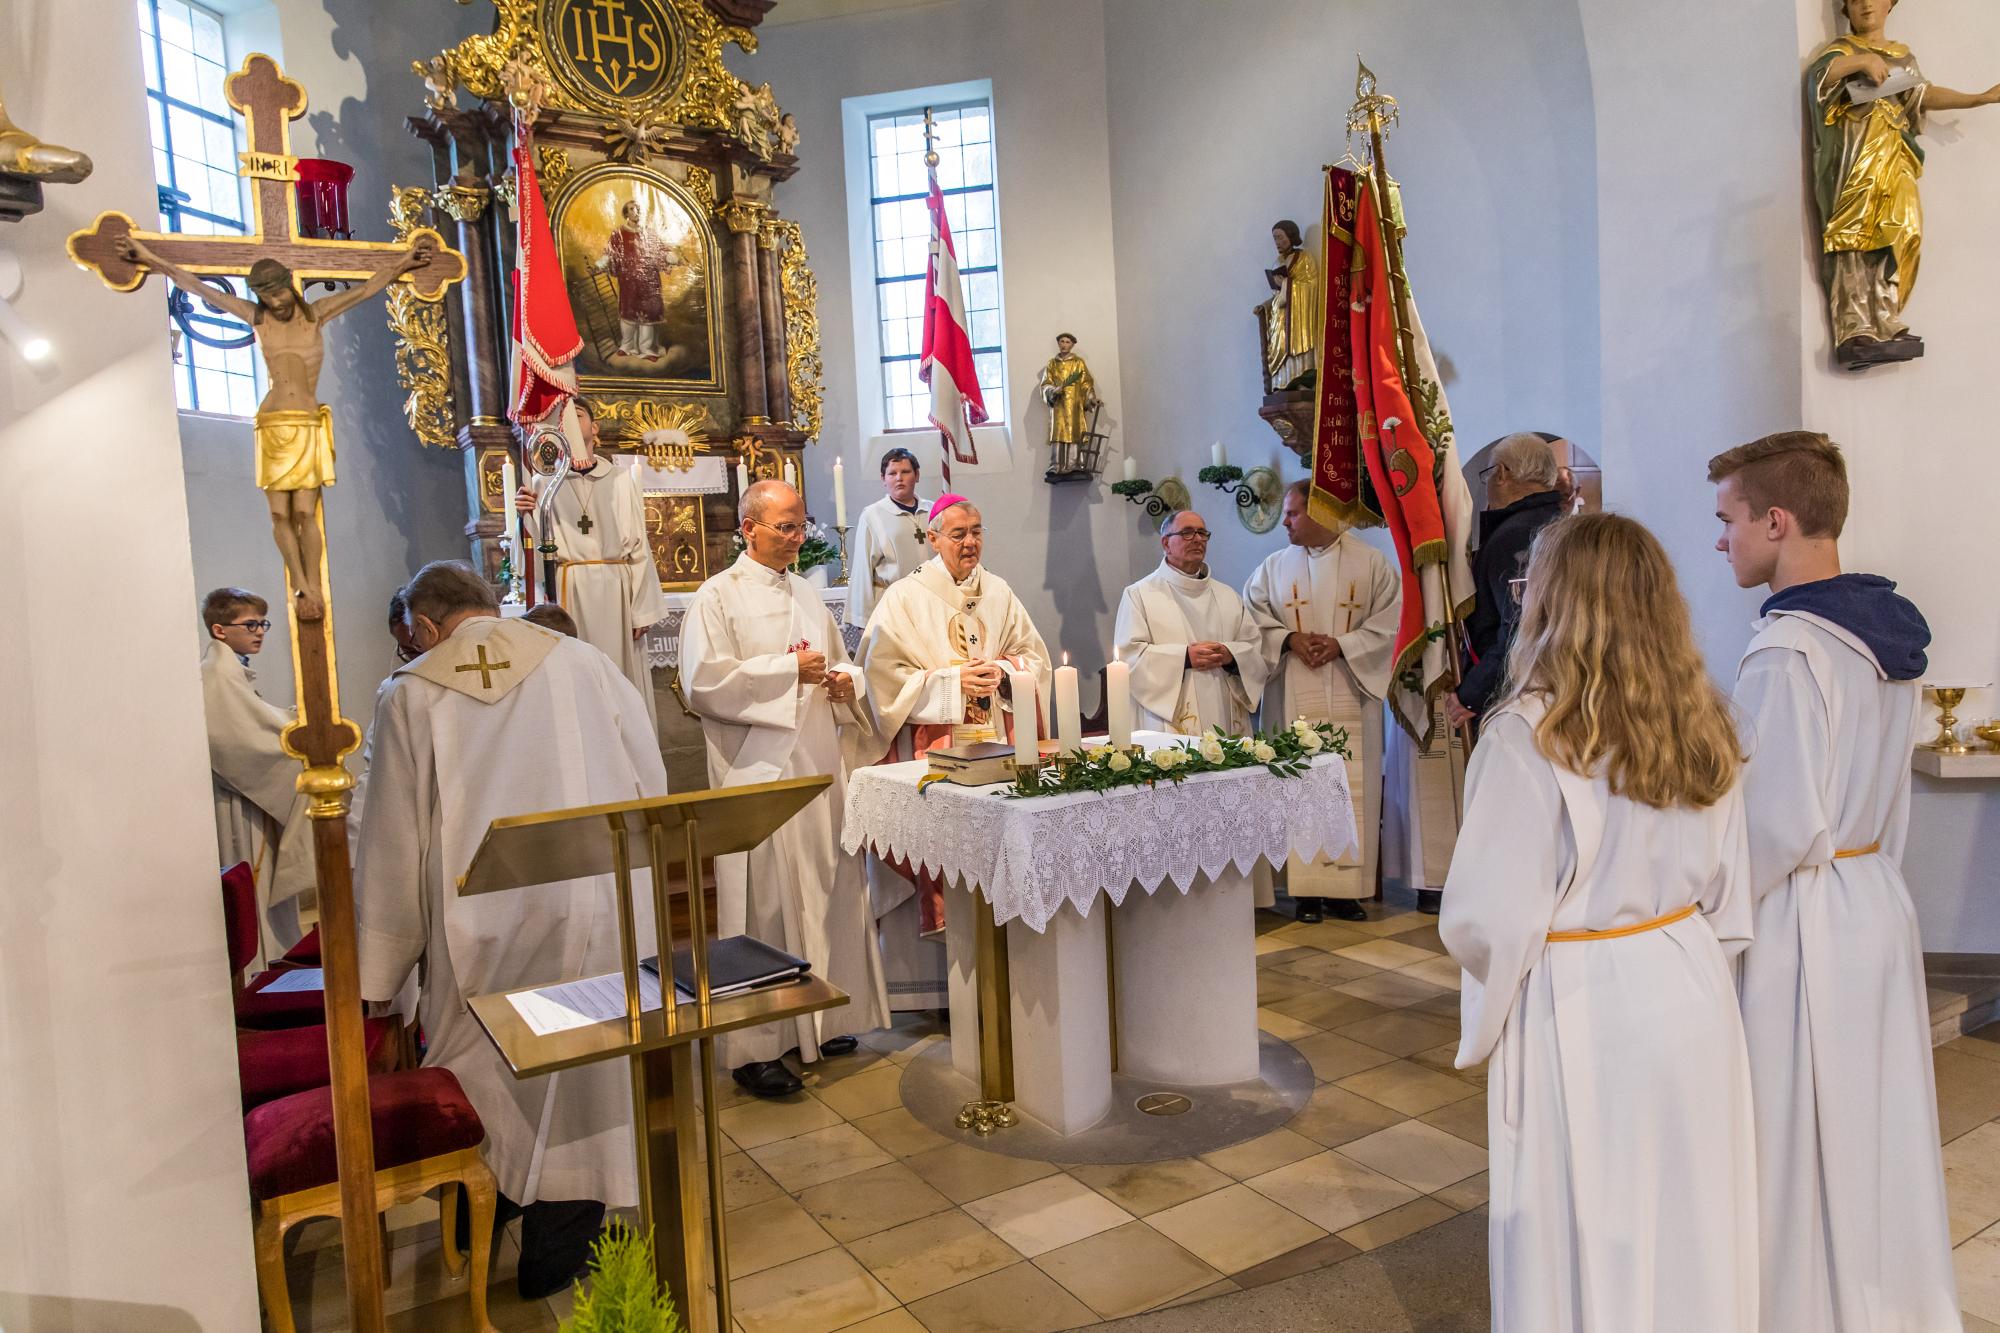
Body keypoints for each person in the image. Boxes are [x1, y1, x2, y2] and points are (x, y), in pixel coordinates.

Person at [1440, 512, 1756, 1331]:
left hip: (1579, 994)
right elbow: (1731, 887)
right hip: (1689, 979)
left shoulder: (1526, 734)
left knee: (1586, 1221)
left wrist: (1490, 1000)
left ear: (1551, 603)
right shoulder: (1705, 719)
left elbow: (1484, 916)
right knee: (1691, 1208)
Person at [354, 561, 666, 1299]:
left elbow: (393, 840)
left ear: (425, 626)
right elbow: (648, 782)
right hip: (593, 903)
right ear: (491, 606)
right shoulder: (585, 663)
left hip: (478, 922)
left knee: (483, 1072)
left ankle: (484, 1213)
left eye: (410, 640)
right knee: (586, 1071)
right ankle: (560, 1245)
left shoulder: (412, 693)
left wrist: (382, 974)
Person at [1710, 430, 1957, 1329]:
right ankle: (1887, 1299)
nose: (1721, 540)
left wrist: (1701, 902)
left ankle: (1805, 1305)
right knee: (1876, 1125)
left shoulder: (1788, 650)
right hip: (1873, 895)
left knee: (1799, 1133)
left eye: (1729, 519)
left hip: (1803, 913)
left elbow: (1770, 825)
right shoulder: (1886, 634)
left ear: (1778, 521)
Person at [680, 480, 892, 1098]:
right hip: (757, 770)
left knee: (827, 885)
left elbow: (835, 660)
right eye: (785, 527)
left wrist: (844, 683)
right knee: (764, 900)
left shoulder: (807, 592)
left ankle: (825, 1019)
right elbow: (701, 683)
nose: (798, 539)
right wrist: (784, 672)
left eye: (802, 527)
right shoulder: (715, 598)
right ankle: (758, 1045)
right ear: (749, 528)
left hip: (816, 764)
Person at [117, 236, 432, 620]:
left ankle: (314, 584)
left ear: (289, 286)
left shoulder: (316, 314)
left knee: (304, 512)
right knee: (279, 515)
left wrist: (404, 263)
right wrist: (150, 259)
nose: (277, 303)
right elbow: (197, 287)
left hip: (306, 423)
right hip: (272, 422)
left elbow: (367, 288)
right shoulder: (258, 318)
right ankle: (300, 584)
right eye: (268, 297)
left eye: (280, 293)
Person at [854, 494, 1051, 1002]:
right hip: (933, 752)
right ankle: (939, 994)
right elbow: (880, 677)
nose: (970, 542)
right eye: (958, 533)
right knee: (936, 859)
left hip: (997, 749)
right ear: (933, 538)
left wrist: (1005, 675)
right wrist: (950, 682)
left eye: (977, 531)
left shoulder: (1001, 592)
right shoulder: (904, 596)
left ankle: (998, 975)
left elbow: (1036, 658)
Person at [1807, 0, 2000, 366]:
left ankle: (1885, 317)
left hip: (1895, 159)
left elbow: (1922, 94)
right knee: (1856, 238)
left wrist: (1978, 99)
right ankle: (1854, 326)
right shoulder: (1840, 52)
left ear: (1889, 5)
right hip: (1854, 161)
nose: (1866, 4)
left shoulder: (1902, 57)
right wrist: (1859, 62)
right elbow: (1821, 77)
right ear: (1845, 7)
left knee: (1901, 231)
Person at [1244, 482, 1398, 923]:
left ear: (1323, 514)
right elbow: (1252, 620)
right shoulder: (1272, 568)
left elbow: (1391, 621)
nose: (1285, 522)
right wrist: (1290, 639)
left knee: (1349, 786)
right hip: (1291, 688)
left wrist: (1344, 644)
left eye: (1293, 514)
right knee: (1297, 783)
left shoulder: (1371, 564)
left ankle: (1344, 891)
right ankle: (1305, 891)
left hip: (1352, 686)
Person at [516, 397, 668, 732]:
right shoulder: (544, 483)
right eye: (560, 417)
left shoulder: (621, 479)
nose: (568, 419)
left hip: (616, 588)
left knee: (620, 679)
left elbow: (639, 547)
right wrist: (524, 515)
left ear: (595, 428)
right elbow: (537, 551)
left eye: (577, 413)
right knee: (577, 680)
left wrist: (641, 609)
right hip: (571, 588)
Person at [199, 586, 314, 964]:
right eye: (250, 624)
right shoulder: (217, 674)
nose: (260, 631)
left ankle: (271, 958)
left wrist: (289, 722)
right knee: (253, 880)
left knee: (261, 882)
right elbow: (236, 740)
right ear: (219, 630)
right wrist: (293, 731)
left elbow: (253, 722)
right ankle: (256, 968)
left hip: (251, 795)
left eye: (263, 623)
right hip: (239, 798)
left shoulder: (231, 670)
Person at [1445, 433, 1567, 731]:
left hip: (1513, 697)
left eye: (1488, 474)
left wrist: (1473, 693)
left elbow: (1519, 628)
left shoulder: (1515, 534)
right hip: (1554, 687)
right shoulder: (1560, 525)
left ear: (1501, 474)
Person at [1114, 509, 1268, 736]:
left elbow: (1255, 648)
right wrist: (1185, 657)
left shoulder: (1227, 595)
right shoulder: (1139, 594)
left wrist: (1231, 655)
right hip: (1170, 721)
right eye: (1187, 533)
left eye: (1202, 533)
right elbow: (1129, 658)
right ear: (1166, 543)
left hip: (1224, 713)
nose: (1197, 539)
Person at [847, 447, 932, 629]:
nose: (899, 478)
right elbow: (863, 568)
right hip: (893, 607)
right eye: (892, 473)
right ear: (883, 479)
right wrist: (863, 621)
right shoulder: (872, 515)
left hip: (932, 603)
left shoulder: (933, 511)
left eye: (905, 472)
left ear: (917, 475)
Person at [597, 199, 678, 360]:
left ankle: (647, 350)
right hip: (628, 281)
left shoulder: (650, 233)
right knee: (628, 311)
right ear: (626, 213)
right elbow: (610, 253)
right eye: (632, 209)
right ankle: (627, 347)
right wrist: (601, 263)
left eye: (638, 209)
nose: (636, 212)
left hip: (649, 281)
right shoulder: (618, 233)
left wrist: (670, 256)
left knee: (648, 313)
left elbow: (661, 250)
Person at [1259, 218, 1320, 391]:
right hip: (1281, 315)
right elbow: (1277, 294)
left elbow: (1311, 284)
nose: (1277, 242)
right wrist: (1265, 306)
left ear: (1291, 236)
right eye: (1275, 239)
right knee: (1279, 345)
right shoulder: (1278, 262)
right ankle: (1282, 382)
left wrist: (1287, 284)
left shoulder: (1304, 258)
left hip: (1299, 316)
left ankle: (1300, 380)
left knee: (1296, 345)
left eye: (1280, 237)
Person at [1035, 332, 1098, 478]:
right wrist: (1053, 390)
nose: (1064, 344)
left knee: (1074, 431)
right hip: (1058, 405)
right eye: (1062, 341)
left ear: (1073, 344)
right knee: (1059, 431)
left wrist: (1092, 398)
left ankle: (1074, 464)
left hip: (1074, 405)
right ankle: (1056, 465)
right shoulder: (1052, 363)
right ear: (1058, 344)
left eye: (1067, 342)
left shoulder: (1078, 362)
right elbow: (1045, 384)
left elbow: (1086, 383)